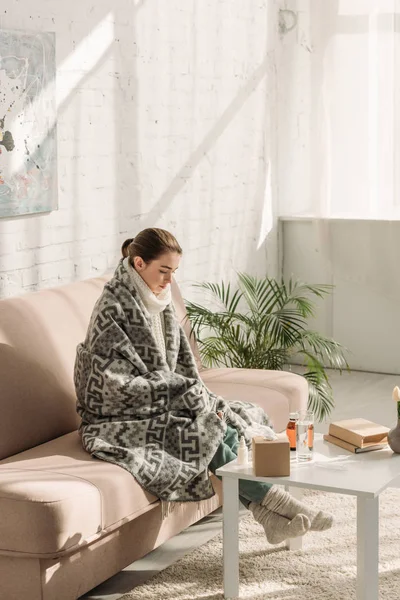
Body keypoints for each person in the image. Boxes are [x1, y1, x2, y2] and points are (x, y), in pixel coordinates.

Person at [74, 228, 333, 545]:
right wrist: (175, 390)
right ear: (138, 263)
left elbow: (182, 362)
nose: (170, 281)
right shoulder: (111, 308)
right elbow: (105, 385)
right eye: (164, 271)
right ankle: (276, 506)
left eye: (174, 272)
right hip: (118, 416)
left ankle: (267, 513)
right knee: (207, 431)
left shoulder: (159, 301)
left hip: (161, 404)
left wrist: (194, 395)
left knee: (221, 420)